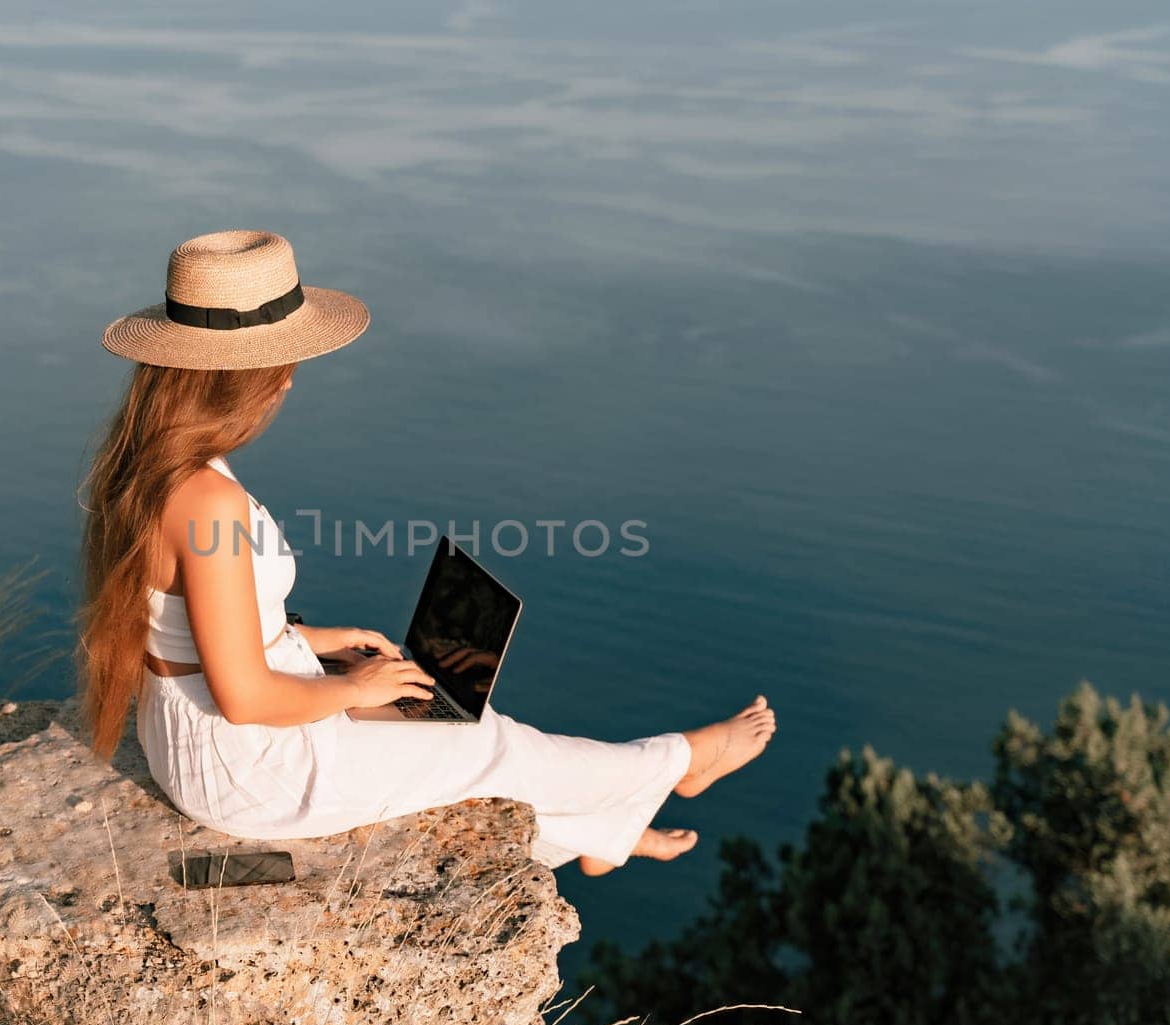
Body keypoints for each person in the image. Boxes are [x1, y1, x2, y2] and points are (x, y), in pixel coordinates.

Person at [76, 229, 776, 876]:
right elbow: (244, 693)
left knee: (442, 714)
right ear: (253, 375)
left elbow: (180, 624)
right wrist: (352, 689)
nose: (290, 381)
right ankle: (681, 761)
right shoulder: (209, 500)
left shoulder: (147, 465)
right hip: (248, 770)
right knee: (482, 743)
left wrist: (315, 641)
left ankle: (604, 833)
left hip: (196, 747)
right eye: (285, 365)